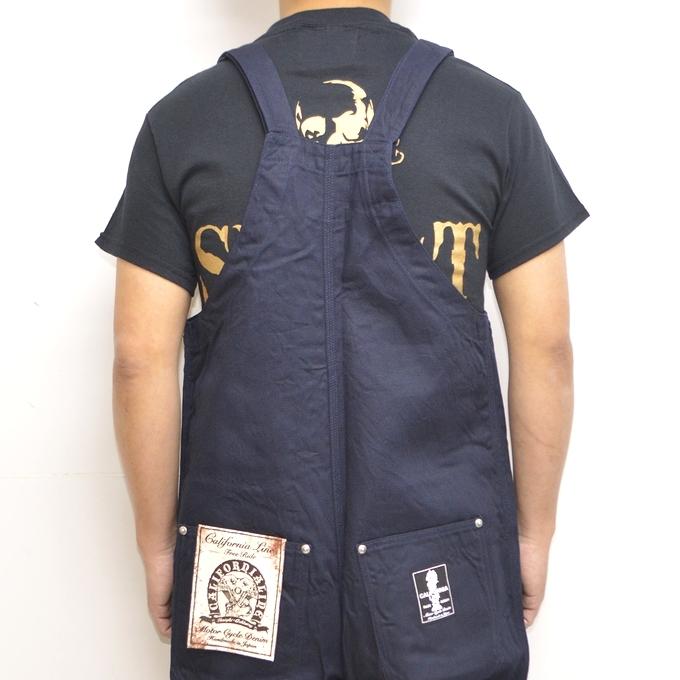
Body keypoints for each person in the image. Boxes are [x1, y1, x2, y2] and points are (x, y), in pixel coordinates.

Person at [94, 1, 589, 678]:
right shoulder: (489, 112)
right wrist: (532, 534)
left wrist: (158, 548)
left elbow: (139, 359)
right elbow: (546, 347)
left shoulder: (184, 120)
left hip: (243, 563)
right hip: (443, 556)